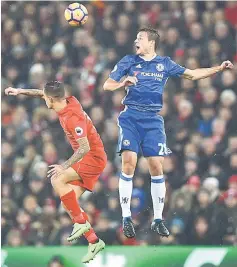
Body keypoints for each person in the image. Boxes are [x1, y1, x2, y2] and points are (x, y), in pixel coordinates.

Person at [103, 27, 233, 238]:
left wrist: (217, 69)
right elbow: (107, 85)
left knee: (156, 166)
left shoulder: (164, 64)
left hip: (153, 120)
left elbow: (192, 74)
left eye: (140, 38)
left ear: (151, 42)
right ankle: (126, 216)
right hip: (131, 118)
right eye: (136, 37)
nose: (136, 40)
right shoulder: (128, 61)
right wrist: (122, 83)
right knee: (129, 161)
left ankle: (157, 219)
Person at [5, 81, 107, 263]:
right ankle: (94, 241)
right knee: (69, 203)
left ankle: (80, 223)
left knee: (57, 179)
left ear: (51, 99)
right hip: (89, 158)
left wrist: (64, 165)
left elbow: (84, 147)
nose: (43, 99)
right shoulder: (67, 100)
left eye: (46, 98)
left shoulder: (73, 117)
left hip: (93, 158)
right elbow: (40, 93)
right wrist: (19, 91)